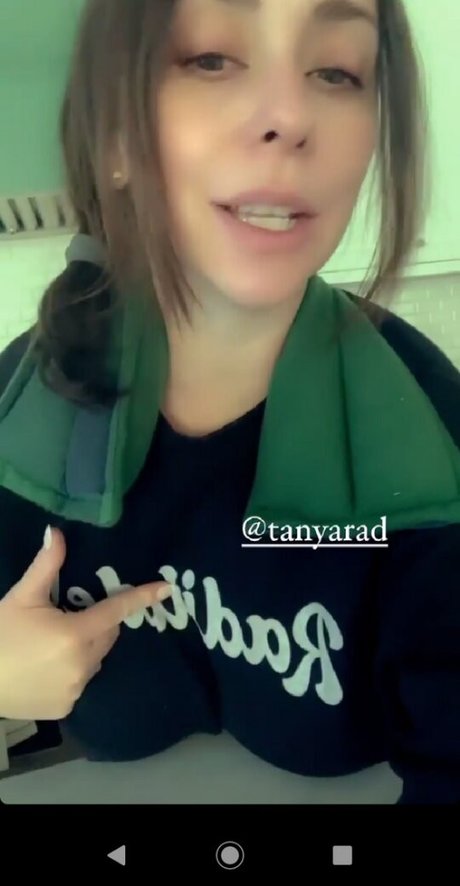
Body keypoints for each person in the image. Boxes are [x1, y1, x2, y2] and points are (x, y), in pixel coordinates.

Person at [0, 0, 459, 804]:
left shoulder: (424, 434)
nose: (291, 116)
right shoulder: (25, 410)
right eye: (210, 58)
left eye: (336, 72)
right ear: (116, 138)